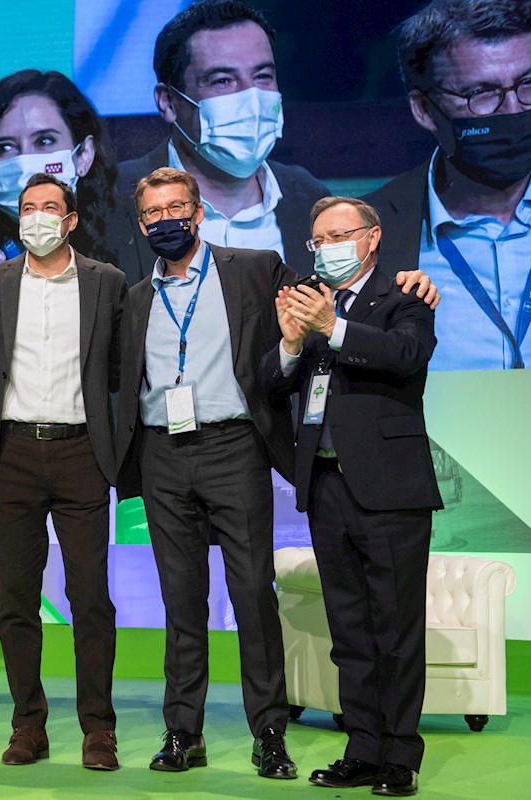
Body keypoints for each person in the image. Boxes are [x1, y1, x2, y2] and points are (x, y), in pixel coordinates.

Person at [113, 167, 438, 781]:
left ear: (199, 211)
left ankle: (271, 734)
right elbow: (279, 365)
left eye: (176, 207)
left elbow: (366, 330)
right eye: (153, 213)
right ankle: (184, 732)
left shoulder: (258, 270)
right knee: (182, 605)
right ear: (140, 222)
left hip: (236, 449)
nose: (165, 221)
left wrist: (416, 279)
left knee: (253, 598)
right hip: (163, 456)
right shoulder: (133, 298)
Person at [258, 196, 442, 797]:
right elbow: (273, 382)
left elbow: (406, 355)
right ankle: (362, 746)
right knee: (350, 629)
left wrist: (330, 328)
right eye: (319, 238)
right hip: (326, 483)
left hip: (389, 488)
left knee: (395, 626)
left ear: (371, 238)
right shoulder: (309, 299)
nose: (329, 246)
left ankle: (400, 755)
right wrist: (290, 341)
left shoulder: (406, 296)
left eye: (341, 234)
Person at [0, 173, 126, 770]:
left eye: (49, 208)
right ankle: (28, 724)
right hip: (8, 454)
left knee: (89, 596)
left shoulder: (106, 282)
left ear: (70, 221)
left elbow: (122, 364)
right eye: (27, 208)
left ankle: (98, 728)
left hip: (81, 452)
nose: (37, 217)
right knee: (15, 597)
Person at [362, 0, 531, 433]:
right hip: (447, 490)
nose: (513, 110)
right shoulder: (372, 228)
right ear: (423, 109)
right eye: (482, 94)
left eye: (529, 83)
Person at [115, 0, 330, 285]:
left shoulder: (311, 199)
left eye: (263, 76)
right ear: (168, 102)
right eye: (223, 81)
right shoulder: (113, 198)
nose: (251, 99)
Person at [0, 69, 123, 269]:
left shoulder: (126, 243)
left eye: (45, 140)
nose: (24, 162)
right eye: (5, 147)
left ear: (84, 155)